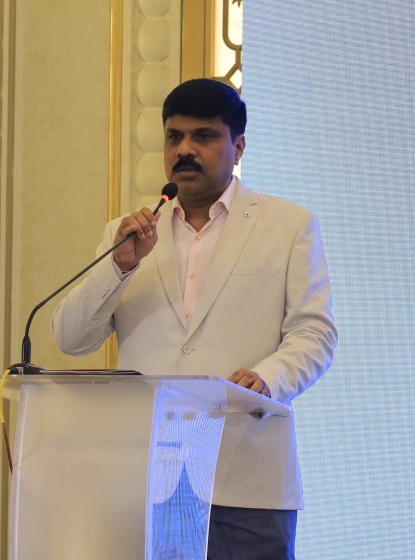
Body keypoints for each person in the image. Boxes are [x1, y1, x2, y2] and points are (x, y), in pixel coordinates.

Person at [51, 78, 337, 559]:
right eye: (174, 137)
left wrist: (267, 379)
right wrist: (119, 266)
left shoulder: (289, 226)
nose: (184, 149)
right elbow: (70, 337)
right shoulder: (129, 234)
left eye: (203, 136)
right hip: (145, 478)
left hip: (245, 476)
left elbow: (315, 333)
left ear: (238, 146)